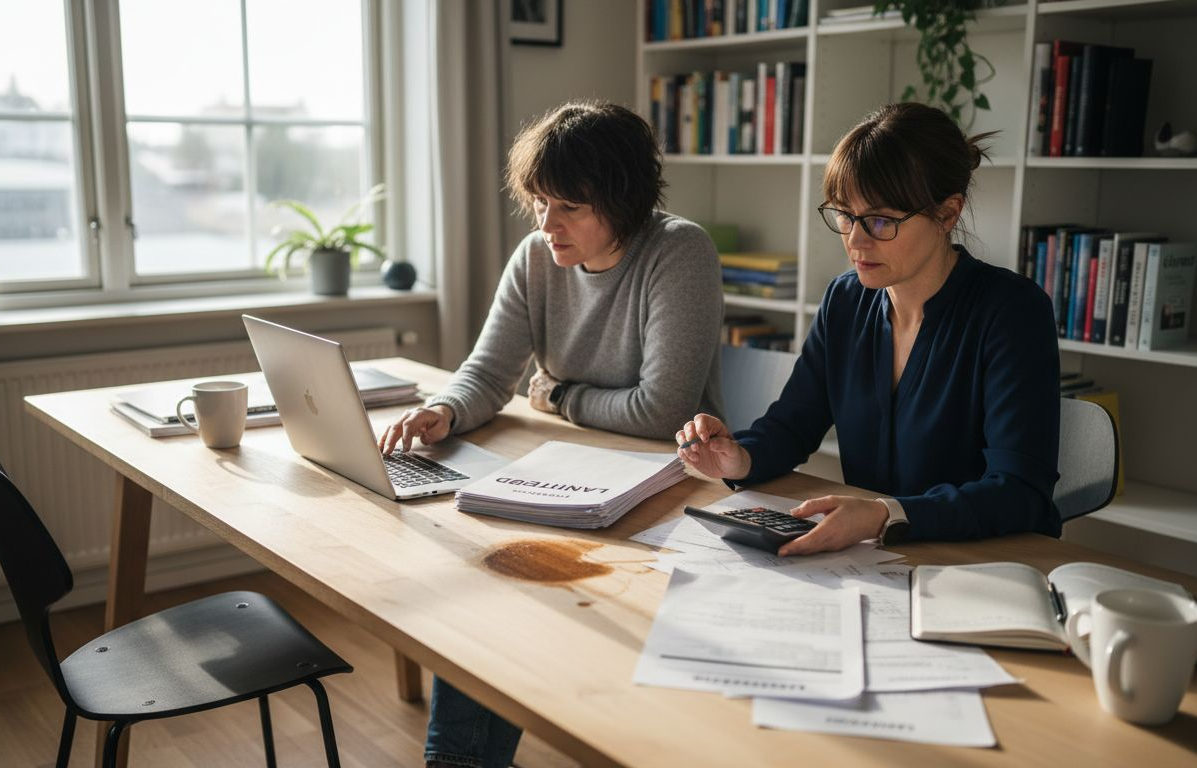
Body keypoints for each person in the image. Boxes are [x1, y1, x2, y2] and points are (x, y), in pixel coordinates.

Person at [379, 100, 725, 768]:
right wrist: (447, 411)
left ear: (622, 200)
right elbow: (489, 371)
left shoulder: (679, 250)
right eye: (539, 201)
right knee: (482, 576)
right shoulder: (537, 256)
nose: (546, 223)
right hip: (566, 475)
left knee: (497, 587)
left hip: (665, 495)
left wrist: (561, 394)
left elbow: (661, 410)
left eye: (569, 206)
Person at [678, 102, 1061, 555]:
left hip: (980, 564)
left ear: (947, 213)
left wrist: (887, 514)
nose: (856, 241)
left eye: (880, 220)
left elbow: (1020, 492)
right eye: (845, 215)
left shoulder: (1012, 311)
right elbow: (793, 425)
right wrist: (740, 457)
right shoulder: (845, 301)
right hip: (872, 560)